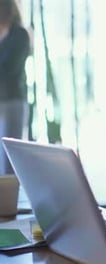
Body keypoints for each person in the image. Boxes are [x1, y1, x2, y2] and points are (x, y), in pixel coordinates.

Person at [0, 0, 30, 175]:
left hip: (12, 103)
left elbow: (8, 69)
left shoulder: (19, 35)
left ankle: (8, 201)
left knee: (9, 162)